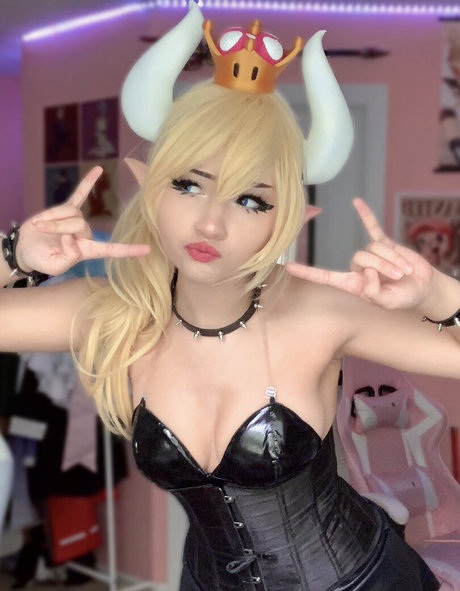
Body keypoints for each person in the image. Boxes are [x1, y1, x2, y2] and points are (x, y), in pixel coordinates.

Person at [2, 4, 460, 589]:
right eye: (188, 184)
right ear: (150, 187)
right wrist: (15, 254)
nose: (211, 223)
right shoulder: (113, 314)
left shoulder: (321, 314)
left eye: (250, 199)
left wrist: (439, 293)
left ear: (286, 218)